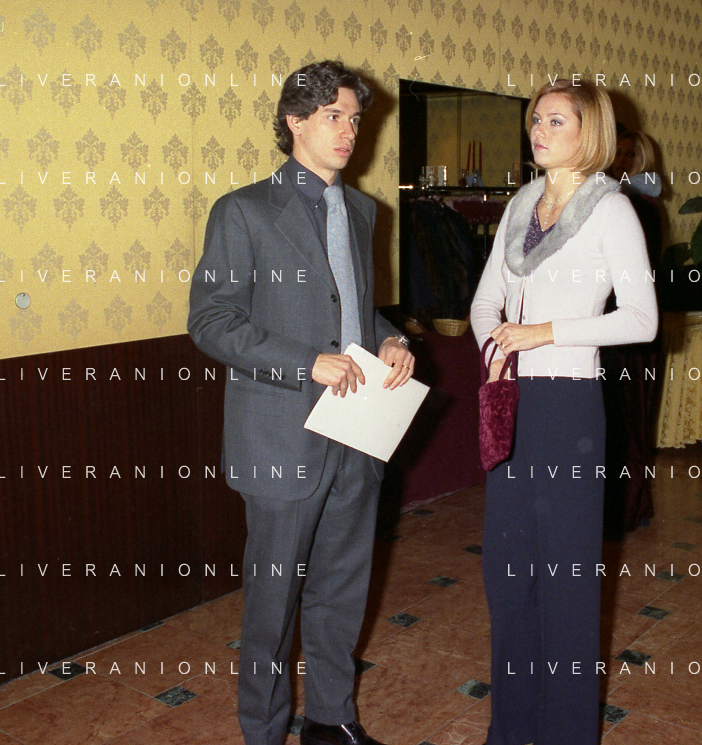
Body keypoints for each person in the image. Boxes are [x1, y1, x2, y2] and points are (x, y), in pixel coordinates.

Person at [188, 60, 413, 745]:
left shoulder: (364, 212)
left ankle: (330, 719)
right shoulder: (244, 211)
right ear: (294, 121)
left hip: (356, 428)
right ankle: (262, 731)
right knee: (272, 602)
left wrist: (392, 338)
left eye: (354, 119)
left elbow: (354, 313)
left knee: (342, 589)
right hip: (280, 437)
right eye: (332, 116)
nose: (348, 131)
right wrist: (304, 362)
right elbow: (212, 321)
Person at [469, 79, 658, 745]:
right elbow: (484, 302)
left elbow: (641, 320)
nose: (539, 131)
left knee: (566, 586)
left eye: (555, 121)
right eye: (535, 120)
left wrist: (543, 333)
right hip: (510, 398)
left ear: (590, 132)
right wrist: (494, 349)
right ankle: (510, 730)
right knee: (507, 576)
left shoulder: (612, 209)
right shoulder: (521, 203)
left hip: (569, 407)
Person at [604, 128, 664, 533]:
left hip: (630, 331)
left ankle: (624, 508)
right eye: (618, 153)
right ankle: (627, 506)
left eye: (631, 155)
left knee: (627, 421)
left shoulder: (637, 205)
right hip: (618, 328)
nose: (622, 161)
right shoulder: (622, 201)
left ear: (644, 161)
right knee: (619, 420)